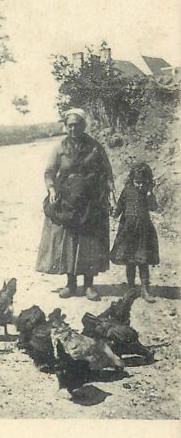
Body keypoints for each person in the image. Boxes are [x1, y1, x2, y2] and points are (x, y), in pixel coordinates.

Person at [36, 108, 116, 301]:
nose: (73, 129)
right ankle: (71, 285)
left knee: (90, 243)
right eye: (69, 125)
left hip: (91, 200)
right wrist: (52, 189)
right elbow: (49, 172)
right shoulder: (60, 148)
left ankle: (89, 286)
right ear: (66, 126)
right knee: (68, 241)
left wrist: (111, 196)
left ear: (84, 125)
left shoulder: (95, 147)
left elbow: (107, 173)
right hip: (67, 200)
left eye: (77, 125)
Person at [110, 162, 160, 302]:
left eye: (144, 182)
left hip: (144, 232)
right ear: (132, 180)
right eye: (137, 182)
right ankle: (131, 288)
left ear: (148, 181)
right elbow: (118, 209)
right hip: (128, 231)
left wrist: (150, 192)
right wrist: (113, 209)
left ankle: (145, 288)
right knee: (129, 260)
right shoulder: (126, 191)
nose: (140, 185)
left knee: (143, 260)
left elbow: (154, 207)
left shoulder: (147, 192)